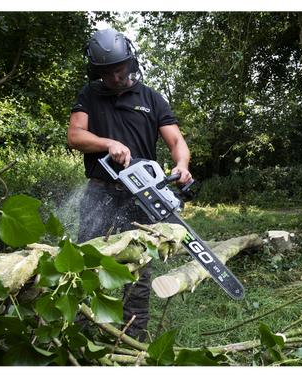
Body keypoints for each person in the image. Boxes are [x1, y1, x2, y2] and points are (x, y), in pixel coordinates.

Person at [67, 28, 192, 342]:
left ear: (130, 63)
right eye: (107, 72)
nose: (115, 76)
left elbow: (176, 139)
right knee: (86, 264)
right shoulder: (89, 94)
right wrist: (108, 143)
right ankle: (79, 334)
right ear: (97, 71)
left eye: (120, 69)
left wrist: (182, 166)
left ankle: (133, 338)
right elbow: (75, 135)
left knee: (138, 270)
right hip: (100, 193)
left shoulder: (150, 97)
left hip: (141, 197)